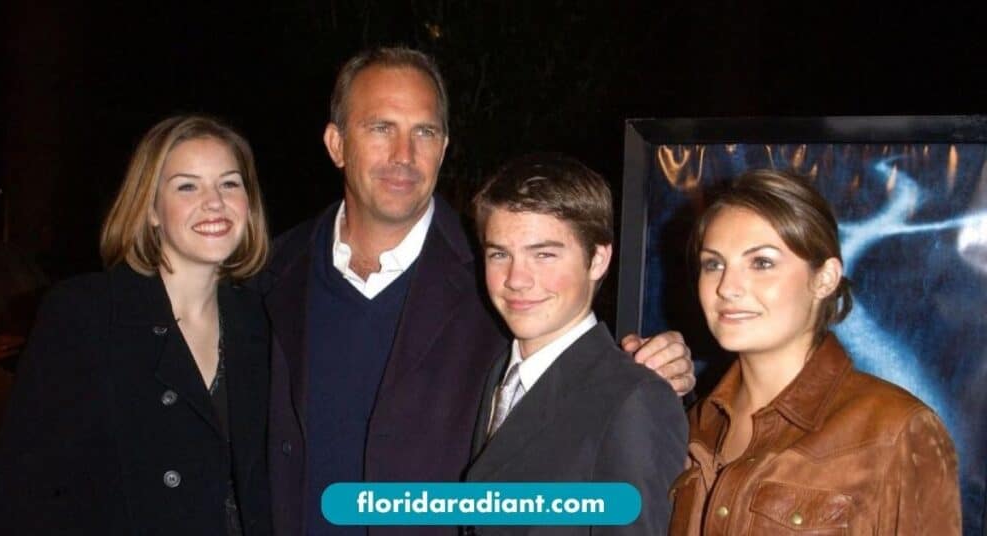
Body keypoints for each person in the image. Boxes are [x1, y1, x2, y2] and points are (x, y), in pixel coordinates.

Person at [260, 46, 695, 536]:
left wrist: (650, 367)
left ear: (444, 147)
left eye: (423, 131)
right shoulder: (270, 271)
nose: (403, 155)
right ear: (337, 144)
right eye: (381, 128)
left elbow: (574, 374)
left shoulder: (487, 275)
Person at [0, 115, 274, 535]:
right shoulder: (86, 313)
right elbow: (19, 490)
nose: (215, 202)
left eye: (229, 183)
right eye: (187, 186)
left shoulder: (261, 322)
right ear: (152, 210)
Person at [667, 169, 961, 534]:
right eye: (714, 264)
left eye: (762, 263)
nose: (727, 286)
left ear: (824, 278)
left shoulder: (896, 430)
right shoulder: (694, 426)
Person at [464, 154, 688, 535]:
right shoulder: (498, 374)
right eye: (499, 254)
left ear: (598, 259)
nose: (516, 279)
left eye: (544, 254)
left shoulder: (633, 400)